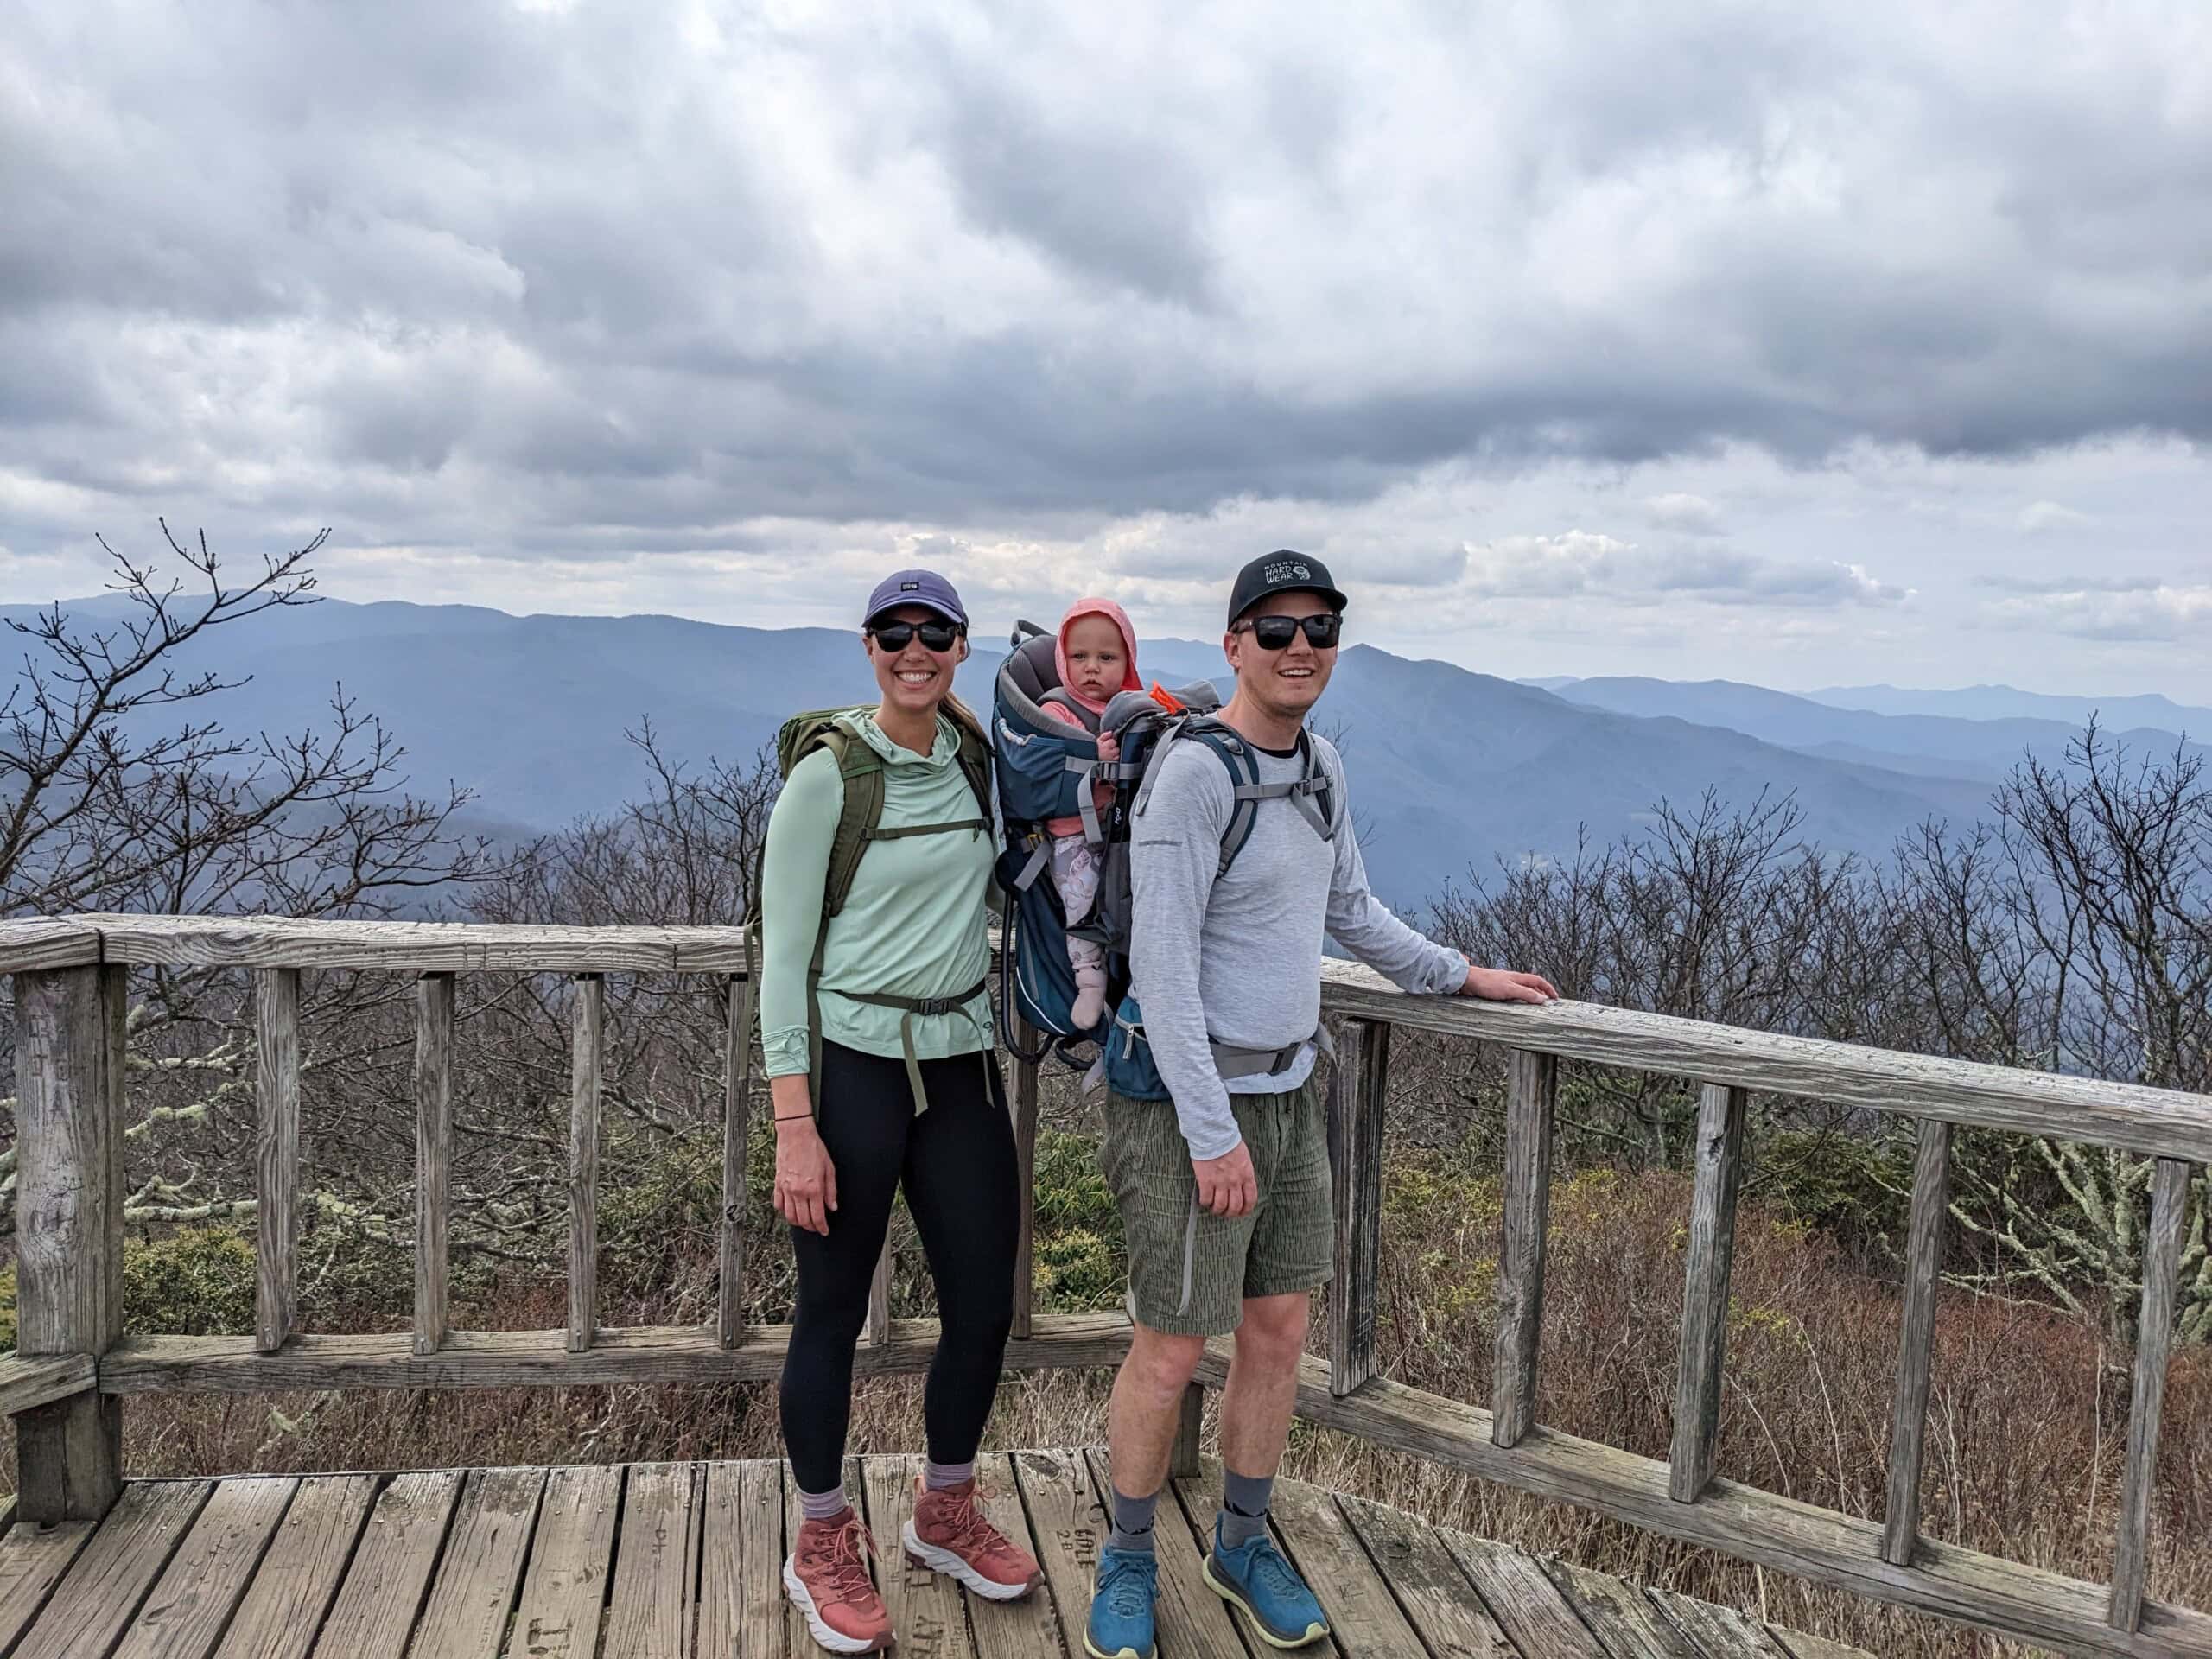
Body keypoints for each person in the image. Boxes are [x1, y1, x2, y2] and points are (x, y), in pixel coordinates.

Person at [1084, 552, 1558, 1659]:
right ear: (1234, 643)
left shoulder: (1321, 767)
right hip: (1188, 1106)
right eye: (1278, 627)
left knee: (1279, 1330)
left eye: (1322, 627)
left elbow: (1349, 908)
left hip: (1293, 1088)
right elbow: (1160, 960)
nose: (1302, 646)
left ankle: (1242, 1543)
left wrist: (1455, 972)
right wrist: (1209, 1133)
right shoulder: (1195, 776)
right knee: (1168, 1344)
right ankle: (1126, 1557)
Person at [760, 569, 1042, 1655]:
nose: (913, 648)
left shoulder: (973, 759)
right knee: (829, 1306)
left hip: (962, 1057)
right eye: (894, 633)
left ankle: (944, 1510)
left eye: (934, 633)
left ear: (961, 647)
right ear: (867, 645)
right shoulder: (828, 781)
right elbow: (783, 960)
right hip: (851, 1066)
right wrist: (794, 1124)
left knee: (982, 1298)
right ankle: (821, 1537)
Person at [1035, 597, 1143, 1028]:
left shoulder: (1132, 709)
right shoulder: (1056, 709)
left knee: (1129, 899)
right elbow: (1052, 756)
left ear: (1127, 661)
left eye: (1106, 657)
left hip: (1121, 834)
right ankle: (1089, 979)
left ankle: (1136, 968)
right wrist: (1090, 755)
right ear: (1063, 660)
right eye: (1079, 657)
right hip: (1071, 835)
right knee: (1080, 900)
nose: (1091, 668)